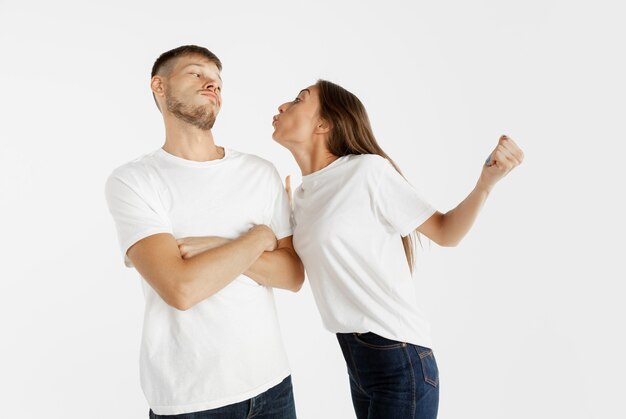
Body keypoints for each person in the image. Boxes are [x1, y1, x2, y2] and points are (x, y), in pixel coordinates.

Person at [272, 79, 524, 418]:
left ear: (323, 124)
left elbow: (446, 232)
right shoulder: (302, 197)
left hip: (399, 360)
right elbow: (295, 274)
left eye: (298, 100)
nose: (283, 107)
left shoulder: (367, 172)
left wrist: (486, 183)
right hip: (357, 362)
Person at [104, 45, 304, 418]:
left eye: (218, 80)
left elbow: (292, 275)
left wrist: (222, 248)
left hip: (272, 385)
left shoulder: (260, 172)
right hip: (192, 400)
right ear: (159, 86)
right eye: (196, 73)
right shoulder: (134, 181)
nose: (212, 83)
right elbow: (181, 288)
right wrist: (259, 238)